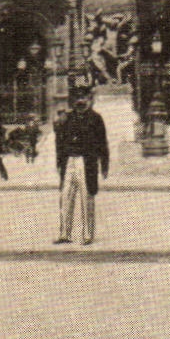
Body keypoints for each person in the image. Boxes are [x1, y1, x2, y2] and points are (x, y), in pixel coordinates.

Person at [54, 89, 109, 245]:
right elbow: (59, 141)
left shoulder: (96, 119)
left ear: (90, 99)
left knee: (87, 197)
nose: (81, 101)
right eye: (78, 98)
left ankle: (87, 235)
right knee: (65, 197)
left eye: (84, 97)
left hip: (86, 162)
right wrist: (59, 162)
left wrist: (104, 165)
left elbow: (102, 143)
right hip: (69, 161)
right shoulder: (67, 118)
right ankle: (65, 234)